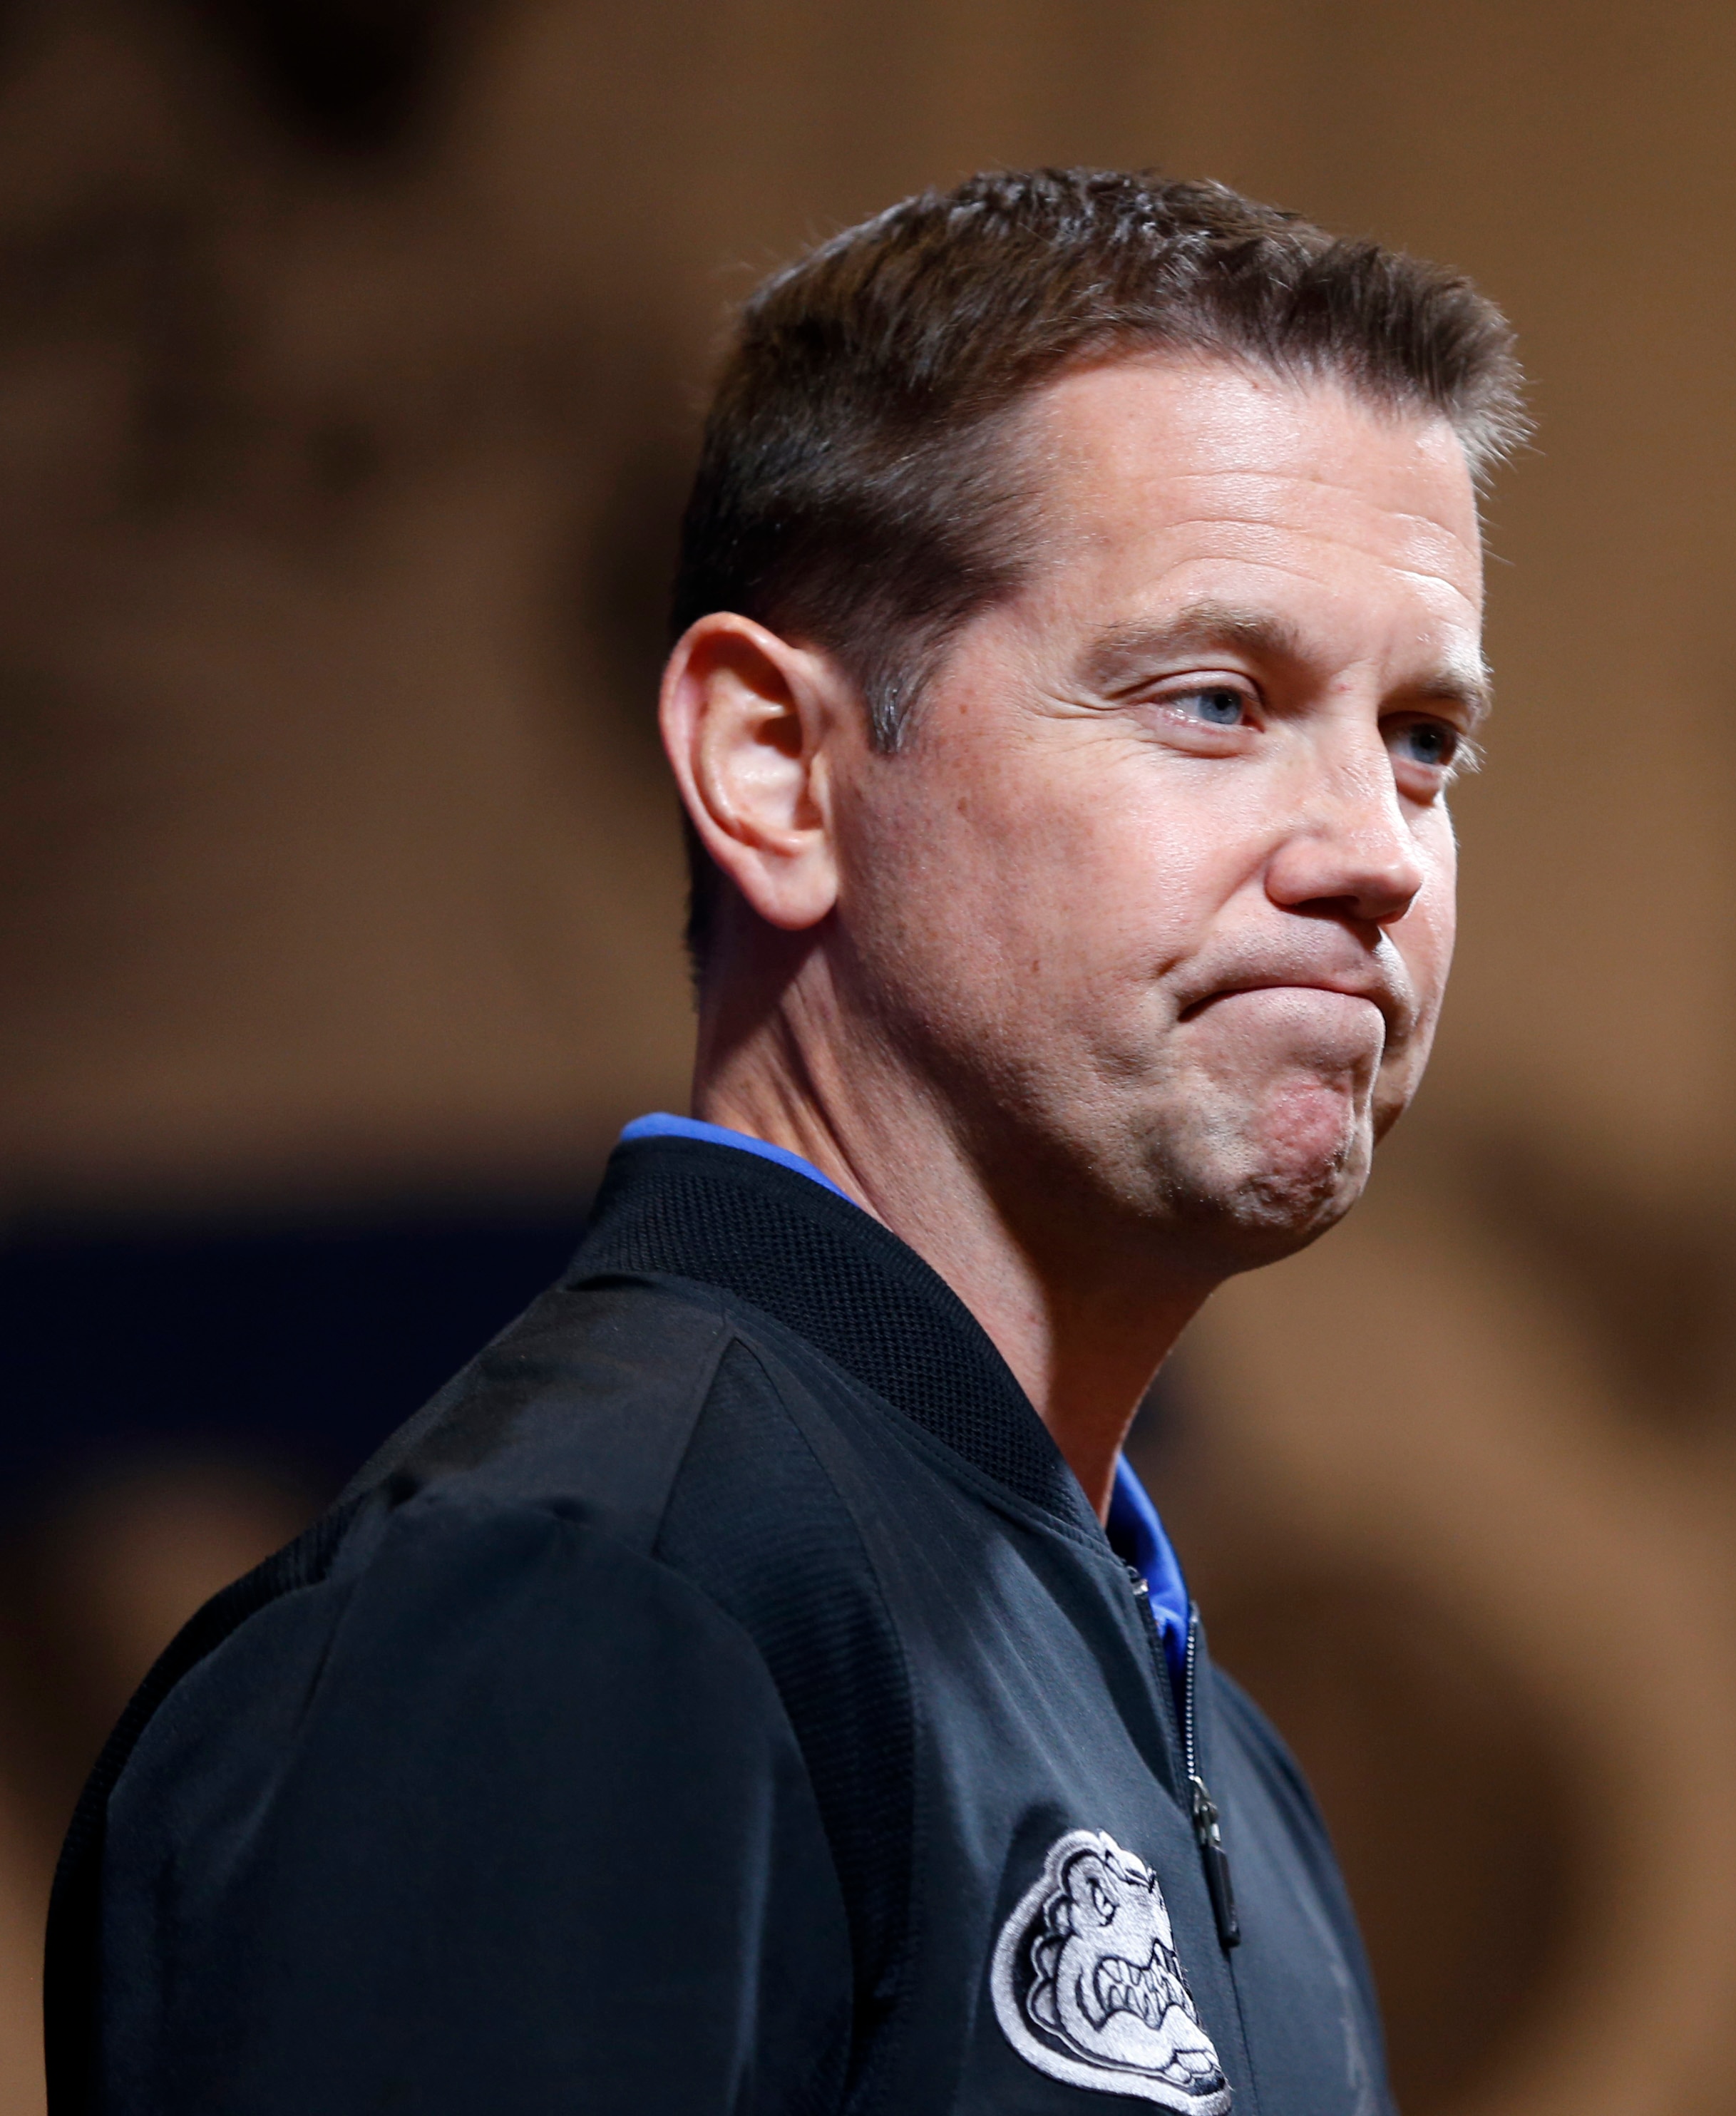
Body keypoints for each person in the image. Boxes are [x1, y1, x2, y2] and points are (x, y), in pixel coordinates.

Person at [45, 167, 1524, 2115]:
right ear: (773, 766)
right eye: (1214, 698)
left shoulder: (1204, 1744)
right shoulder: (577, 1620)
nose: (1368, 852)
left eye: (1423, 737)